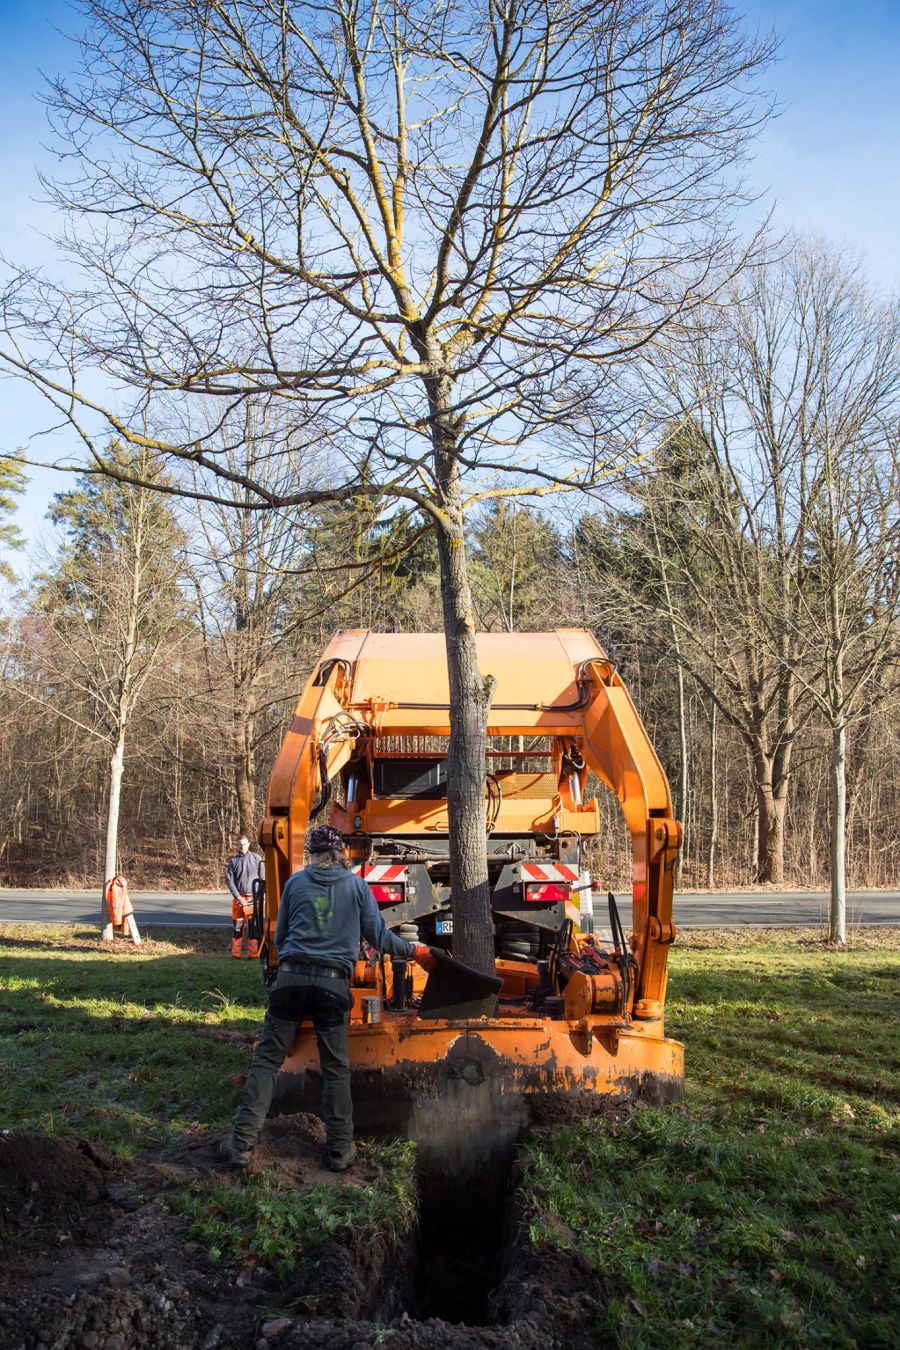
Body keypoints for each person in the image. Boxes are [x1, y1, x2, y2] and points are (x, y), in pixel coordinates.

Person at [220, 824, 435, 1172]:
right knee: (335, 1068)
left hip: (290, 982)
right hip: (332, 986)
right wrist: (415, 951)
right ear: (341, 855)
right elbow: (379, 938)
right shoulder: (356, 886)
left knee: (266, 1062)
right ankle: (339, 1152)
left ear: (313, 855)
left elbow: (283, 936)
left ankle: (242, 1145)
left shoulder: (295, 884)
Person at [226, 835, 264, 959]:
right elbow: (230, 881)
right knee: (237, 927)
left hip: (253, 899)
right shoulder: (233, 861)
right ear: (236, 845)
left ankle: (253, 954)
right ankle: (235, 954)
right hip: (238, 899)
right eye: (239, 844)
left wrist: (258, 896)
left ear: (248, 844)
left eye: (244, 844)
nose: (242, 846)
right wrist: (238, 897)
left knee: (253, 927)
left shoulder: (257, 858)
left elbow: (263, 879)